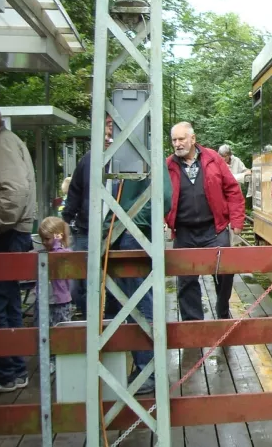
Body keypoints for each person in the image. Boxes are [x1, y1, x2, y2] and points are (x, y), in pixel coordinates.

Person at [0, 101, 35, 395]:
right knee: (8, 302)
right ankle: (13, 368)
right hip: (7, 234)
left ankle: (4, 373)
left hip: (5, 234)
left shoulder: (4, 144)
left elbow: (15, 192)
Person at [103, 168, 172, 395]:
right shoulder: (124, 153)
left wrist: (131, 224)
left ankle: (149, 372)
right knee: (130, 307)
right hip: (121, 235)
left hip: (130, 236)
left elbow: (164, 199)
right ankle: (145, 369)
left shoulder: (141, 148)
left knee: (140, 305)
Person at [166, 122, 244, 320]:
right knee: (186, 281)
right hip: (184, 232)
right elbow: (158, 197)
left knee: (225, 273)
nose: (177, 144)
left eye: (181, 139)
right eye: (174, 140)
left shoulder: (212, 159)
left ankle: (223, 310)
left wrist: (236, 222)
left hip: (214, 229)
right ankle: (194, 327)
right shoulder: (168, 165)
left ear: (193, 139)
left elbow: (232, 190)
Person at [61, 116, 113, 319]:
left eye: (112, 134)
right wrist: (65, 220)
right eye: (106, 134)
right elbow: (74, 192)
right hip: (85, 230)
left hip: (112, 232)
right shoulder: (88, 160)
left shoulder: (125, 163)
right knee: (77, 285)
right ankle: (89, 320)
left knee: (113, 283)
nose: (108, 138)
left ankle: (110, 326)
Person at [35, 217, 74, 374]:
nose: (44, 242)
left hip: (61, 301)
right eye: (42, 239)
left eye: (48, 239)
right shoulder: (44, 254)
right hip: (45, 300)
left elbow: (63, 255)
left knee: (61, 329)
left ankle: (62, 359)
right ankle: (50, 360)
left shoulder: (63, 253)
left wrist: (57, 243)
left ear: (58, 237)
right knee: (45, 330)